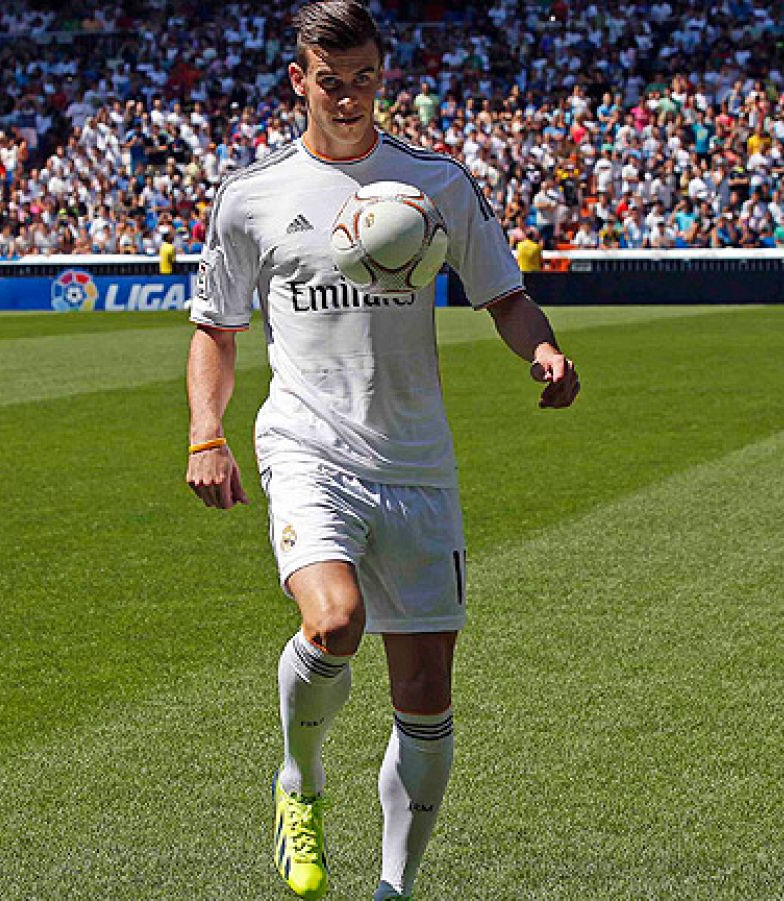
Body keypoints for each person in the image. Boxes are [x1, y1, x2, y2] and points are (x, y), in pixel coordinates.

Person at [182, 4, 580, 899]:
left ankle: (394, 888)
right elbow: (216, 328)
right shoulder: (252, 194)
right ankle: (299, 781)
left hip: (415, 461)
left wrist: (545, 350)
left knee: (427, 695)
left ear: (381, 76)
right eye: (332, 81)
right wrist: (207, 434)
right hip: (308, 445)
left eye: (364, 78)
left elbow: (505, 295)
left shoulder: (436, 182)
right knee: (334, 622)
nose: (350, 97)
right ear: (300, 80)